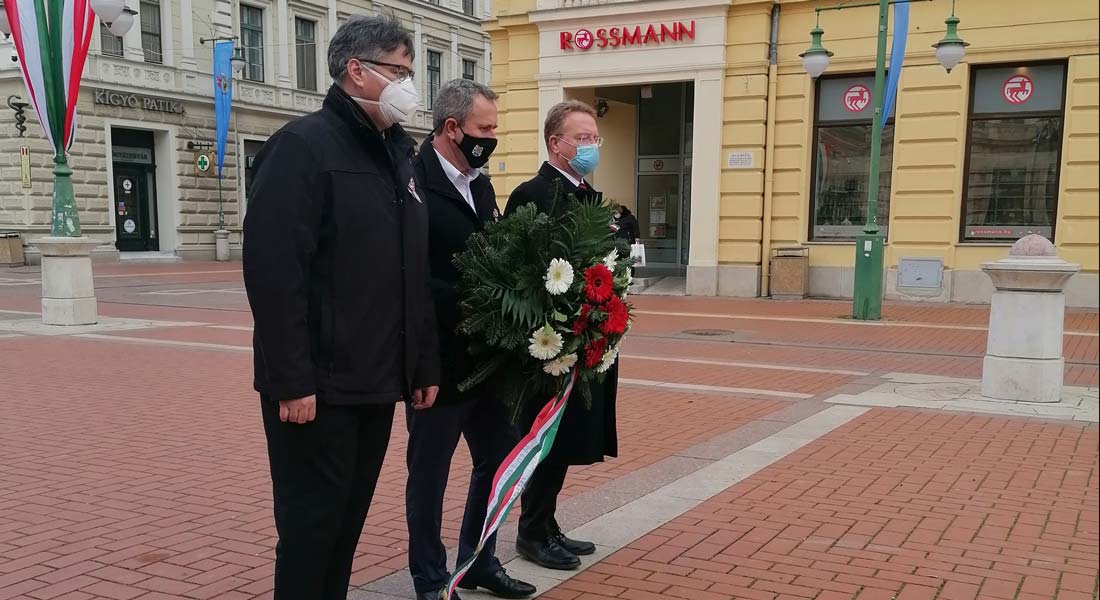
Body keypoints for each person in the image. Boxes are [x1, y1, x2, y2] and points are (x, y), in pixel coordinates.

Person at [242, 15, 439, 600]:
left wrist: (422, 363)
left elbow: (412, 273)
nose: (408, 86)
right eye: (398, 71)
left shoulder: (398, 155)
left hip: (375, 381)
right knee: (311, 529)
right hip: (317, 390)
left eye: (409, 72)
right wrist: (292, 381)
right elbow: (275, 274)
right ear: (356, 70)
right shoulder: (301, 146)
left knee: (346, 525)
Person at [405, 79, 537, 600]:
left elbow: (493, 251)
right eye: (485, 129)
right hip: (438, 361)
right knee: (429, 474)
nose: (492, 138)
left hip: (487, 359)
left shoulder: (480, 183)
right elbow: (410, 275)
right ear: (452, 128)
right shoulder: (412, 180)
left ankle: (480, 560)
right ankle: (430, 579)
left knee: (498, 460)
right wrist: (474, 297)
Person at [504, 100, 619, 571]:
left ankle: (547, 524)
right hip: (551, 346)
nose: (592, 146)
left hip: (586, 340)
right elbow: (522, 271)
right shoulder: (532, 194)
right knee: (546, 439)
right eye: (582, 138)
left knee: (567, 438)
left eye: (595, 138)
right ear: (556, 143)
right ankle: (531, 532)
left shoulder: (586, 193)